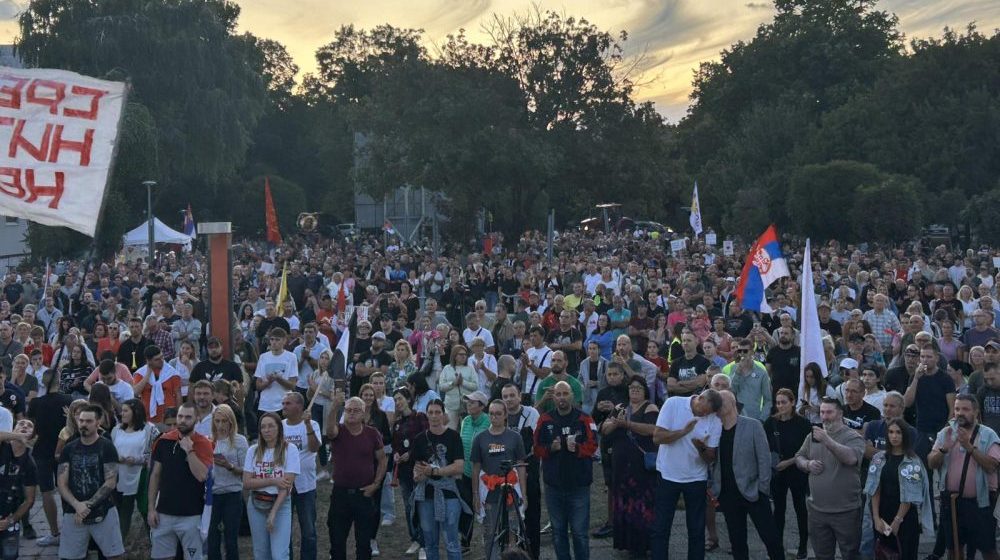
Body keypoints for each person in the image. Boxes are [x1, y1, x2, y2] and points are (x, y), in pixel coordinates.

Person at [649, 389, 723, 560]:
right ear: (700, 398)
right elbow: (657, 437)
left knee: (696, 529)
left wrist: (700, 448)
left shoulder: (714, 420)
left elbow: (710, 458)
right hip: (668, 474)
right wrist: (683, 432)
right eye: (703, 411)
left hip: (696, 478)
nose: (704, 415)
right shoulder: (673, 403)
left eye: (708, 413)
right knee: (661, 527)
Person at [711, 391, 784, 560]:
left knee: (770, 537)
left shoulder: (753, 425)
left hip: (754, 491)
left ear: (733, 403)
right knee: (737, 542)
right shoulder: (715, 429)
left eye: (721, 401)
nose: (718, 404)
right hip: (728, 494)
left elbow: (764, 458)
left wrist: (762, 488)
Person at [928, 394, 1000, 560]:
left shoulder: (988, 434)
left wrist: (969, 447)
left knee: (988, 549)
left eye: (965, 409)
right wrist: (943, 450)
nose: (960, 413)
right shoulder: (946, 433)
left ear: (976, 412)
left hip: (980, 503)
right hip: (951, 502)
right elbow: (931, 463)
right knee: (954, 549)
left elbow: (991, 466)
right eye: (957, 409)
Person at [794, 397, 866, 560]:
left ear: (840, 414)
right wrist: (807, 464)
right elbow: (799, 456)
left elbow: (851, 459)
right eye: (822, 412)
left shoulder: (852, 437)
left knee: (850, 554)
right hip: (817, 511)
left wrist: (827, 440)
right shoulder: (813, 436)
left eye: (829, 412)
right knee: (822, 555)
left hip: (845, 512)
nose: (824, 417)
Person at [534, 381, 598, 560]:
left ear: (572, 395)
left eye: (565, 393)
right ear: (553, 397)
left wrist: (577, 448)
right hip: (554, 486)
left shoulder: (585, 418)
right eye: (558, 394)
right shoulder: (545, 419)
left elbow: (594, 445)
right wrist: (550, 449)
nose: (562, 398)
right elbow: (536, 448)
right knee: (558, 532)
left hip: (579, 485)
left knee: (579, 533)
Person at [56, 404, 125, 560]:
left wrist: (86, 506)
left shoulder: (107, 447)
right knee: (69, 557)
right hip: (73, 512)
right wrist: (76, 505)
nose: (83, 425)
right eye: (81, 421)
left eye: (88, 421)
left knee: (115, 556)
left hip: (104, 510)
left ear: (97, 423)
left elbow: (111, 481)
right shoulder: (69, 448)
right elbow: (61, 483)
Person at [599, 375, 658, 557]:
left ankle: (644, 544)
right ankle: (628, 543)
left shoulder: (650, 407)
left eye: (638, 388)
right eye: (632, 387)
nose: (634, 390)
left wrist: (627, 424)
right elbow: (604, 429)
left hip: (641, 466)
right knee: (624, 502)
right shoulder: (620, 407)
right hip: (621, 463)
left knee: (642, 504)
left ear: (645, 390)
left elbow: (652, 430)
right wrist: (616, 424)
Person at [147, 401, 213, 560]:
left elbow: (202, 476)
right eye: (180, 416)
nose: (183, 420)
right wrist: (151, 508)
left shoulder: (203, 443)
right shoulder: (163, 441)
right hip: (163, 514)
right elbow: (155, 475)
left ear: (197, 419)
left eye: (188, 417)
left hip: (191, 516)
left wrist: (189, 450)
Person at [326, 394, 387, 560]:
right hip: (340, 494)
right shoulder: (339, 431)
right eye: (348, 410)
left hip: (364, 494)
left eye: (356, 410)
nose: (351, 413)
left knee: (364, 545)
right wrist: (334, 407)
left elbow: (382, 460)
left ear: (363, 413)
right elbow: (329, 431)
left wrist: (376, 484)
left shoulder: (372, 433)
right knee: (337, 542)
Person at [863, 418, 933, 560]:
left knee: (904, 553)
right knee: (882, 553)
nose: (894, 436)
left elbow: (909, 496)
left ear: (905, 435)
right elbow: (874, 489)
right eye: (891, 432)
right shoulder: (879, 458)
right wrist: (876, 518)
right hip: (883, 514)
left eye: (898, 433)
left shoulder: (913, 462)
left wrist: (897, 521)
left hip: (905, 517)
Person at [471, 400, 527, 560]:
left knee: (512, 532)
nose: (494, 417)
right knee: (490, 532)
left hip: (511, 491)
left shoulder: (515, 437)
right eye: (491, 413)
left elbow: (521, 466)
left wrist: (524, 494)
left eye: (498, 413)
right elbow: (475, 468)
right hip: (489, 491)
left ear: (505, 415)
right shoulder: (480, 438)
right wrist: (475, 495)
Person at [412, 399, 467, 560]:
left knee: (452, 542)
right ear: (426, 415)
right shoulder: (420, 439)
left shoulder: (454, 436)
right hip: (426, 494)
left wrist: (434, 471)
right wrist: (418, 475)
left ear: (443, 414)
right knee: (430, 543)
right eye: (431, 412)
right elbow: (417, 467)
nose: (434, 416)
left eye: (438, 412)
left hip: (449, 494)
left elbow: (459, 467)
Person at [243, 413, 300, 560]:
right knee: (261, 554)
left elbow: (286, 485)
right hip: (256, 503)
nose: (266, 430)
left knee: (279, 555)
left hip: (280, 504)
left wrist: (273, 512)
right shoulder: (253, 450)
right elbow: (247, 483)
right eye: (263, 427)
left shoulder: (290, 449)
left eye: (271, 426)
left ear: (279, 428)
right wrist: (273, 481)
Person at [764, 388, 811, 560]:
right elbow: (764, 446)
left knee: (800, 508)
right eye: (778, 403)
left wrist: (790, 462)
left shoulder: (803, 424)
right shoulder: (771, 423)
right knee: (778, 510)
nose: (780, 406)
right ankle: (777, 548)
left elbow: (808, 450)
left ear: (792, 402)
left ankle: (803, 546)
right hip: (778, 472)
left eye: (784, 402)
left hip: (797, 470)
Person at [501, 382, 541, 560]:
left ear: (519, 396)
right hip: (506, 472)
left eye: (512, 395)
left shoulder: (531, 413)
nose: (509, 399)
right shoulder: (499, 415)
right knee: (507, 519)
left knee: (531, 515)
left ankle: (533, 555)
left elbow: (533, 444)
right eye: (505, 396)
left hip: (528, 470)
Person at [110, 398, 158, 542]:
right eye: (122, 411)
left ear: (135, 412)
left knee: (145, 510)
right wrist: (116, 457)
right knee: (123, 512)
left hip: (142, 476)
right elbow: (110, 450)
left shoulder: (150, 429)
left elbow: (155, 454)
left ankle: (154, 541)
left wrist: (137, 460)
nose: (122, 414)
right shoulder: (117, 430)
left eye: (126, 411)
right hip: (121, 477)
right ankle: (119, 544)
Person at [281, 391, 321, 560]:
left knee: (309, 530)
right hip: (283, 485)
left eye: (288, 403)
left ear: (299, 406)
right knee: (284, 529)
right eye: (283, 403)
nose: (283, 407)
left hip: (306, 485)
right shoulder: (279, 426)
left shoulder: (313, 424)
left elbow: (314, 448)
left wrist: (308, 425)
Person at [391, 387, 429, 557]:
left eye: (400, 398)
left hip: (419, 469)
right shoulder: (397, 423)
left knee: (421, 505)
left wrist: (411, 454)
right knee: (408, 506)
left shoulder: (420, 417)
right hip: (404, 471)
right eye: (395, 400)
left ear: (408, 399)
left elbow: (426, 440)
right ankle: (415, 538)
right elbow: (395, 445)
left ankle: (424, 544)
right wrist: (396, 454)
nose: (397, 402)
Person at [207, 404, 247, 560]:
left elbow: (246, 470)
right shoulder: (208, 440)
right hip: (212, 494)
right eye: (217, 421)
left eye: (224, 421)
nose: (220, 425)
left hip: (232, 493)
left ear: (231, 422)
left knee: (231, 539)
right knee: (212, 538)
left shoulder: (239, 441)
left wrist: (229, 466)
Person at [459, 390, 490, 553]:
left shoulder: (489, 421)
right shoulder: (465, 421)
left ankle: (490, 540)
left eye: (472, 402)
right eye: (468, 402)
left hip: (484, 474)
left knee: (485, 507)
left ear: (482, 406)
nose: (469, 405)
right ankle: (465, 542)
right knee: (465, 507)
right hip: (466, 473)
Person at [0, 419, 36, 557]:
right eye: (21, 424)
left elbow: (29, 500)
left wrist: (11, 520)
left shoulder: (30, 464)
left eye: (29, 426)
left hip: (8, 515)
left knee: (9, 556)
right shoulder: (3, 447)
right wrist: (18, 436)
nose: (25, 426)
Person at [724, 339, 772, 422]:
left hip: (755, 417)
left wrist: (762, 419)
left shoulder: (761, 372)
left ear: (752, 352)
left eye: (745, 351)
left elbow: (768, 400)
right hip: (737, 417)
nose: (742, 354)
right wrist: (737, 373)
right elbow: (731, 392)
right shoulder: (733, 369)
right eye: (739, 351)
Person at [132, 345, 182, 424]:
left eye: (162, 357)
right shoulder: (140, 373)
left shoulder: (172, 373)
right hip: (147, 416)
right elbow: (135, 392)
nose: (161, 360)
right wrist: (148, 374)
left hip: (168, 417)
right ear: (149, 361)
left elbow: (178, 395)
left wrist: (179, 415)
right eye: (157, 359)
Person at [254, 328, 298, 416]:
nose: (274, 342)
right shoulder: (263, 357)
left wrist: (278, 379)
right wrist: (268, 382)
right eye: (272, 339)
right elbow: (258, 385)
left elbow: (292, 385)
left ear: (284, 341)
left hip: (284, 404)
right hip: (265, 405)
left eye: (277, 340)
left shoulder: (291, 357)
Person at [439, 345, 478, 430]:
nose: (464, 356)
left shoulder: (470, 369)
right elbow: (441, 387)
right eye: (461, 354)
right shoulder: (447, 368)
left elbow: (475, 386)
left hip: (467, 405)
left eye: (465, 354)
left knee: (467, 430)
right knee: (450, 430)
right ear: (455, 356)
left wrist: (463, 382)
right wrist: (453, 383)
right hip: (451, 406)